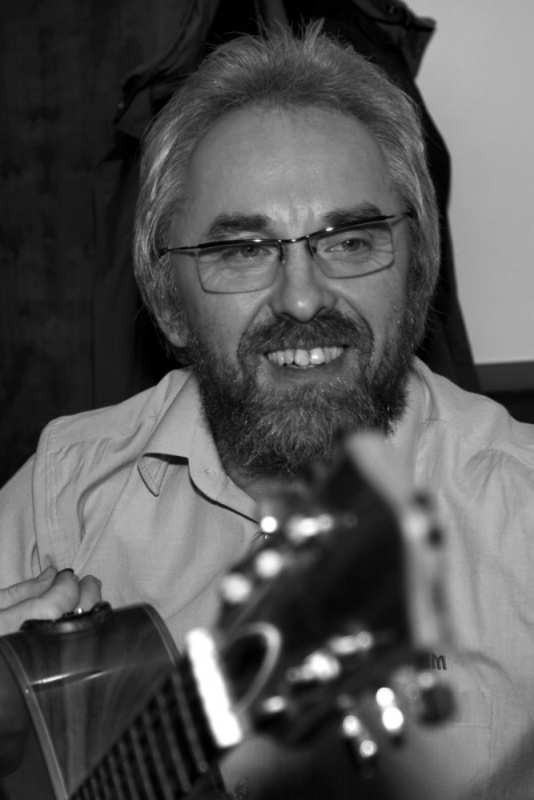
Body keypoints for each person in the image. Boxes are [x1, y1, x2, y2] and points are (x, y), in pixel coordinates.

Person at [1, 23, 533, 800]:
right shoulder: (62, 503)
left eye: (349, 241)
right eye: (242, 251)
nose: (303, 298)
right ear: (168, 303)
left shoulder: (523, 515)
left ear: (418, 273)